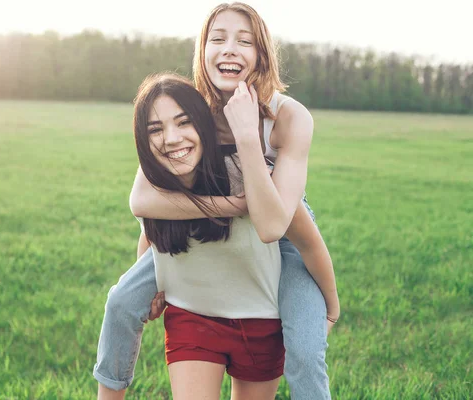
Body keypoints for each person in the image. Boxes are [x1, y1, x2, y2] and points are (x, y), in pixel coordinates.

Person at [95, 3, 339, 399]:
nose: (229, 49)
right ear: (202, 51)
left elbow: (277, 225)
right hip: (214, 219)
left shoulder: (288, 117)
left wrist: (332, 302)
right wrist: (229, 205)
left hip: (282, 224)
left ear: (261, 54)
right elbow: (145, 199)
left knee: (306, 352)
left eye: (244, 41)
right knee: (121, 300)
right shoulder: (193, 111)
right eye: (217, 39)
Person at [133, 73, 288, 399]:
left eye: (183, 122)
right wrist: (150, 286)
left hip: (260, 320)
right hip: (192, 318)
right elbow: (149, 235)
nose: (171, 139)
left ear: (205, 126)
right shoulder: (156, 189)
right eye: (155, 129)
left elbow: (303, 237)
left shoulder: (245, 175)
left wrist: (329, 304)